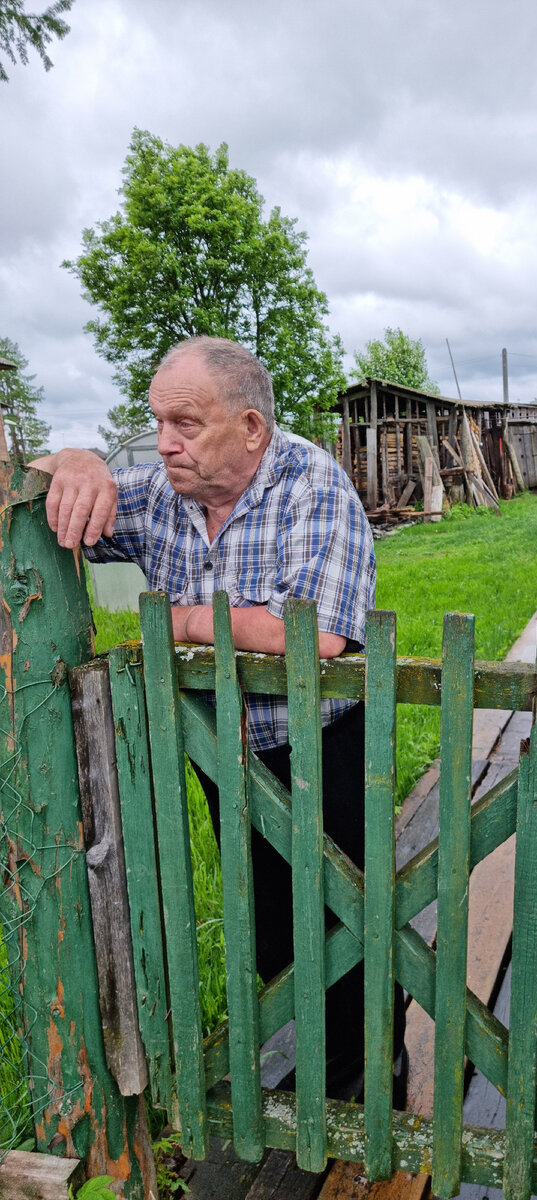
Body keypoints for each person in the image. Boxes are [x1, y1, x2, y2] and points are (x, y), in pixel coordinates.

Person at [32, 335, 406, 1104]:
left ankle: (376, 1069)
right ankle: (320, 1063)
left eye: (187, 425)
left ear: (250, 428)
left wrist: (185, 623)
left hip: (324, 739)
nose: (165, 443)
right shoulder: (167, 488)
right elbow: (56, 498)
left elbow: (318, 631)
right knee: (270, 918)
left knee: (347, 910)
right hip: (222, 748)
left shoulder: (312, 483)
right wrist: (76, 459)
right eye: (157, 422)